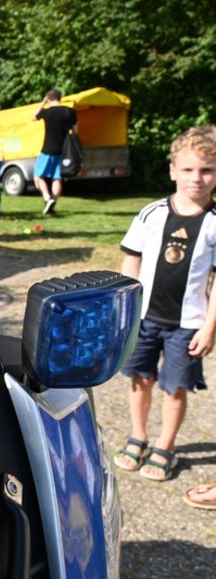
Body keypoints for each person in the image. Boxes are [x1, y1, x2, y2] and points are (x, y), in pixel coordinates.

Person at [113, 125, 216, 482]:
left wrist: (209, 326)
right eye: (187, 170)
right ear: (172, 170)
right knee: (140, 379)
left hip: (188, 323)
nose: (197, 179)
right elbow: (132, 262)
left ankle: (165, 445)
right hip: (144, 318)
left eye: (207, 170)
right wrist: (126, 311)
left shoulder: (214, 224)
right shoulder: (151, 214)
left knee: (174, 387)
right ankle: (138, 436)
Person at [32, 89, 78, 215]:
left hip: (47, 149)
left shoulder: (47, 112)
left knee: (38, 175)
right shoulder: (70, 112)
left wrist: (42, 103)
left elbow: (33, 117)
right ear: (60, 98)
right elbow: (75, 131)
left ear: (48, 99)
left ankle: (47, 198)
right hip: (63, 151)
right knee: (57, 178)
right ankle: (53, 200)